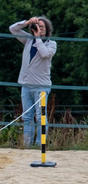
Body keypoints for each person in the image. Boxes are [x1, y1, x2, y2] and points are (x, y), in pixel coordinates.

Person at [10, 16, 56, 147]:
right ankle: (27, 145)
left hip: (41, 87)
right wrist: (27, 22)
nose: (39, 29)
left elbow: (44, 54)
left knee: (40, 117)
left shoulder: (52, 44)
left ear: (47, 30)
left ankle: (39, 144)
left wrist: (37, 38)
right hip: (26, 85)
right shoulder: (28, 40)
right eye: (37, 26)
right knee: (27, 117)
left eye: (42, 27)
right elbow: (12, 29)